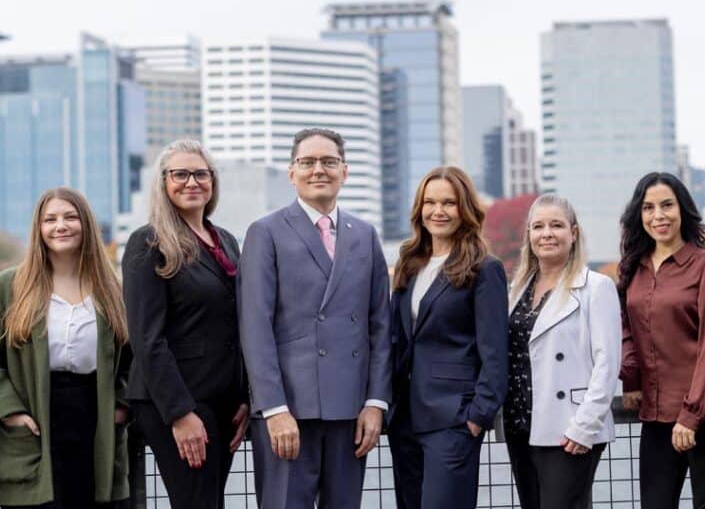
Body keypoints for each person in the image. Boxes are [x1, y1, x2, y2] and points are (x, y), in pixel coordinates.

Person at [239, 127, 391, 509]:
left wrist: (375, 402)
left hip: (350, 410)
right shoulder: (265, 232)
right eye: (307, 162)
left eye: (328, 161)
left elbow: (380, 326)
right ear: (292, 172)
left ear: (345, 171)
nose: (318, 169)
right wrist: (273, 409)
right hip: (290, 409)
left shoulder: (365, 234)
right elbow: (255, 329)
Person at [0, 188, 129, 509]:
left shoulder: (111, 289)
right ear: (38, 229)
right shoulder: (10, 286)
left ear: (87, 224)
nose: (60, 226)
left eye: (70, 217)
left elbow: (132, 359)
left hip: (95, 417)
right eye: (50, 219)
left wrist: (121, 407)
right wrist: (10, 412)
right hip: (34, 416)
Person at [123, 139, 248, 508]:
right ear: (163, 182)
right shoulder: (147, 242)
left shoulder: (225, 240)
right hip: (177, 400)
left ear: (212, 181)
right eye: (180, 174)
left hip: (222, 398)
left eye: (200, 173)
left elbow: (235, 324)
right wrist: (180, 413)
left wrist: (243, 395)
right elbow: (146, 337)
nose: (191, 182)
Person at [388, 166, 508, 509]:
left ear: (464, 209)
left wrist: (476, 417)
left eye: (449, 203)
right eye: (430, 202)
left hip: (453, 420)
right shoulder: (410, 264)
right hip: (406, 418)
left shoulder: (484, 268)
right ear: (419, 209)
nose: (438, 211)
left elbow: (494, 352)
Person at [618, 172, 705, 509]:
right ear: (639, 216)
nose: (659, 216)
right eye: (649, 208)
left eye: (667, 205)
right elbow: (625, 327)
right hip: (656, 413)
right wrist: (632, 379)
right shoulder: (633, 269)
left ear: (682, 209)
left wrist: (691, 414)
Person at [502, 194, 621, 509]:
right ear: (529, 235)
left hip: (569, 429)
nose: (547, 234)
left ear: (574, 233)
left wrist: (584, 427)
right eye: (538, 226)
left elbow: (607, 365)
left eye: (556, 225)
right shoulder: (516, 290)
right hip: (522, 424)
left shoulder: (596, 287)